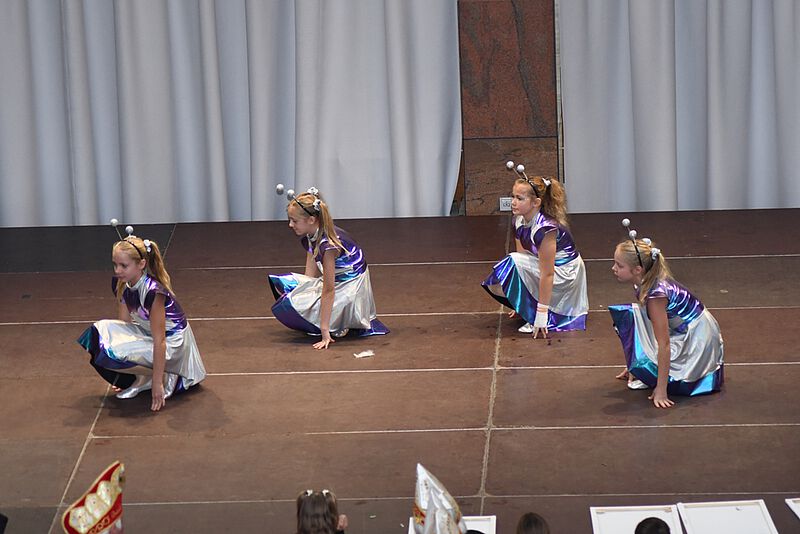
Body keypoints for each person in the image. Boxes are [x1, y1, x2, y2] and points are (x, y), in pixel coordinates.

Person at [77, 223, 206, 411]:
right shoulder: (122, 283)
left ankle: (161, 376)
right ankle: (140, 378)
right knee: (102, 333)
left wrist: (157, 384)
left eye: (123, 266)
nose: (117, 270)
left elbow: (161, 341)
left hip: (173, 343)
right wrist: (124, 368)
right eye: (115, 264)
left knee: (118, 350)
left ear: (141, 264)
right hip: (148, 333)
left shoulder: (153, 292)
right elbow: (124, 324)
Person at [610, 219, 724, 408]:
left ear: (637, 270)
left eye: (619, 265)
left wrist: (661, 388)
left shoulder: (656, 295)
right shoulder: (644, 282)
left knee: (629, 318)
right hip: (685, 329)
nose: (613, 268)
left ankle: (669, 376)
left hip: (698, 338)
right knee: (630, 317)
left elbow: (664, 343)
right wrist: (633, 363)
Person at [269, 187, 388, 349]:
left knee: (295, 305)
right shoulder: (313, 232)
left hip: (350, 287)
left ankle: (339, 319)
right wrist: (306, 289)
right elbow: (311, 262)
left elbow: (329, 290)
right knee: (291, 288)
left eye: (294, 221)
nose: (290, 225)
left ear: (311, 220)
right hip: (337, 281)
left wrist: (324, 331)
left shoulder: (328, 246)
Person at [482, 162, 588, 338]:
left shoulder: (545, 228)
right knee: (504, 275)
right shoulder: (519, 220)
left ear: (536, 203)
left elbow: (547, 273)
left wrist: (541, 314)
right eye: (513, 196)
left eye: (520, 198)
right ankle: (529, 309)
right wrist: (519, 301)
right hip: (547, 269)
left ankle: (543, 315)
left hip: (565, 273)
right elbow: (523, 261)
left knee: (511, 261)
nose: (513, 202)